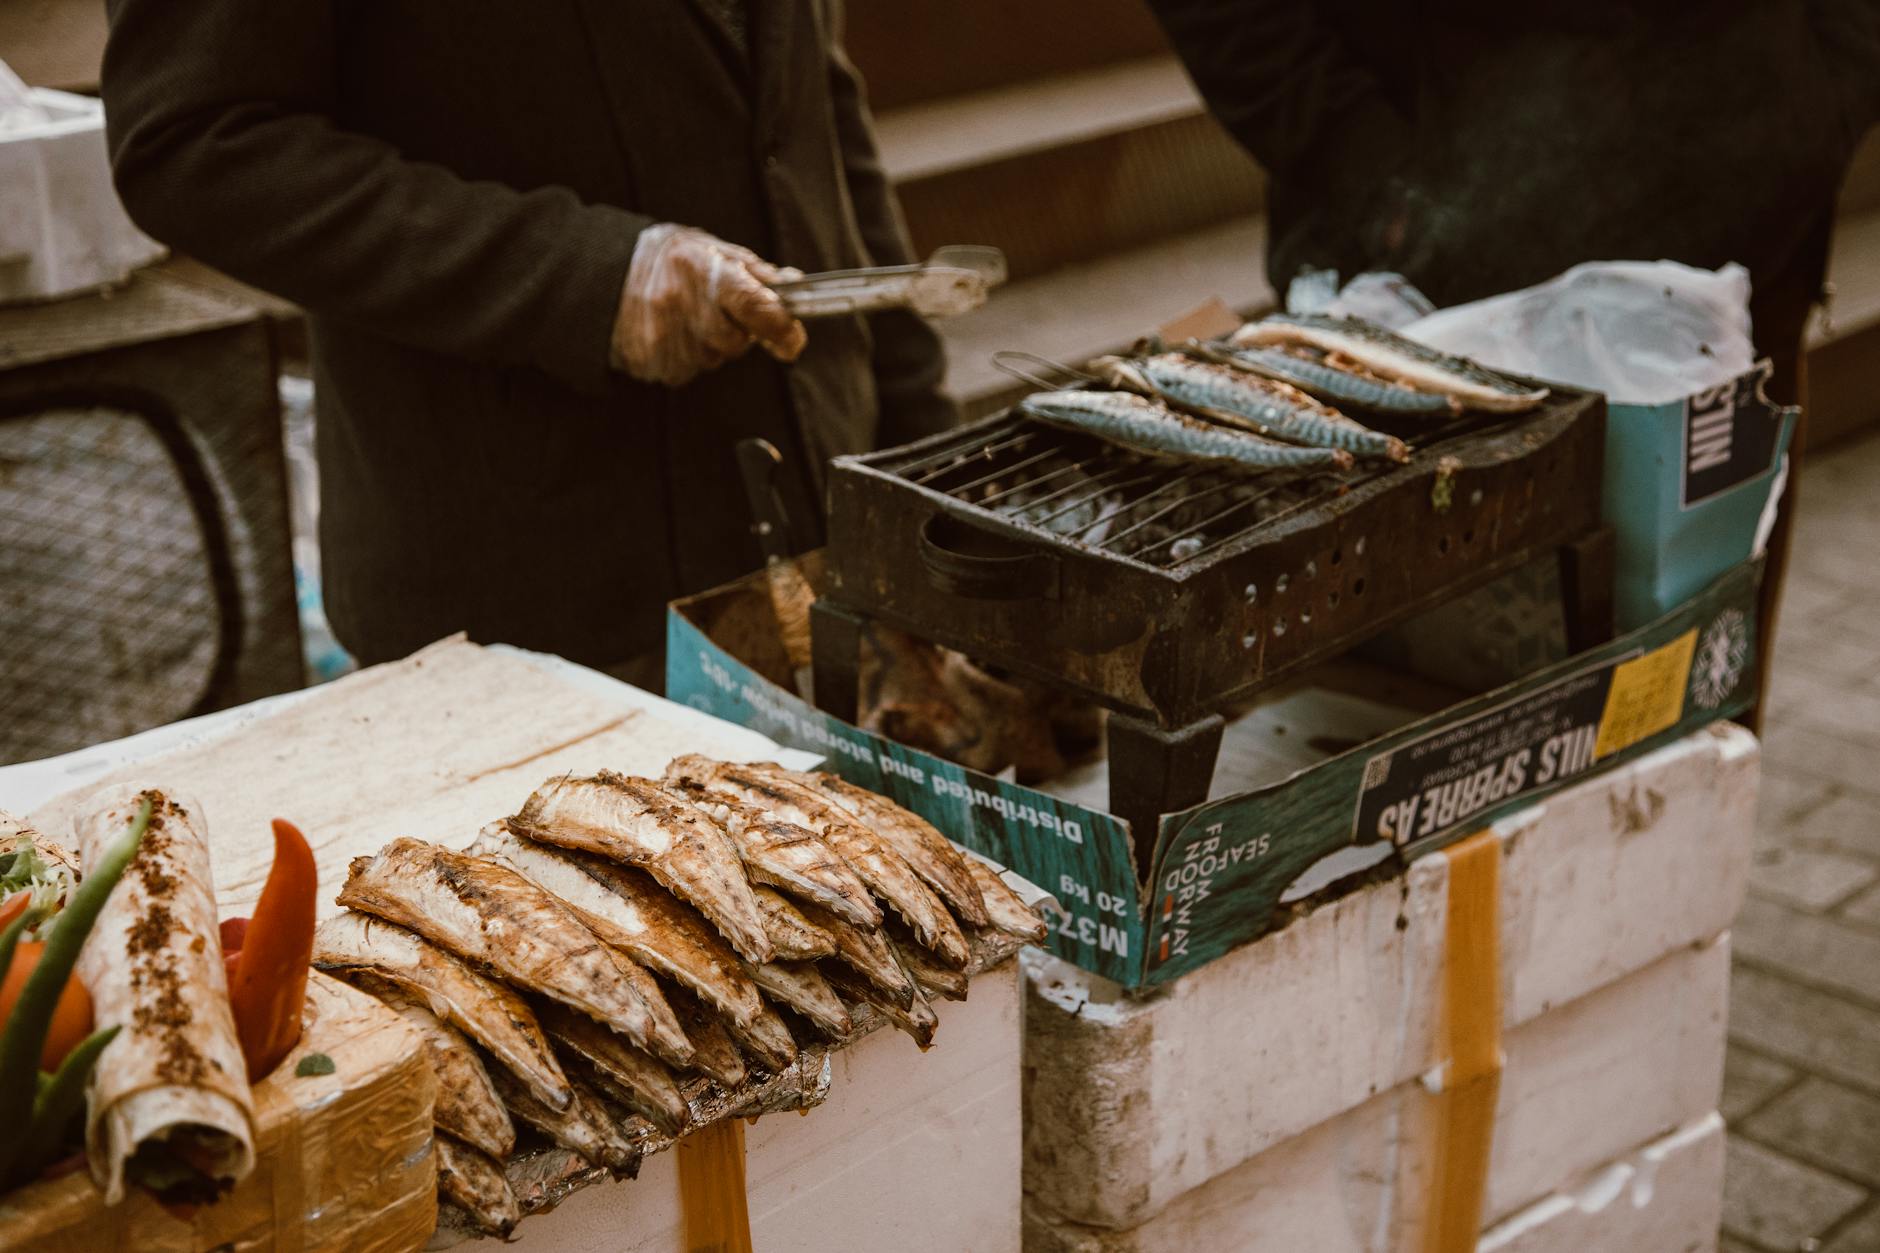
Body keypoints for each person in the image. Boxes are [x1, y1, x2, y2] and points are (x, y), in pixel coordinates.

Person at [98, 0, 952, 680]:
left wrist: (922, 474)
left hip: (820, 524)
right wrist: (586, 280)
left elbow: (811, 103)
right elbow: (195, 140)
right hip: (539, 613)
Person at [1146, 0, 1880, 719]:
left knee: (1695, 735)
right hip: (1433, 307)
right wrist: (1369, 169)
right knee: (1419, 761)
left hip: (1726, 287)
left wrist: (1826, 93)